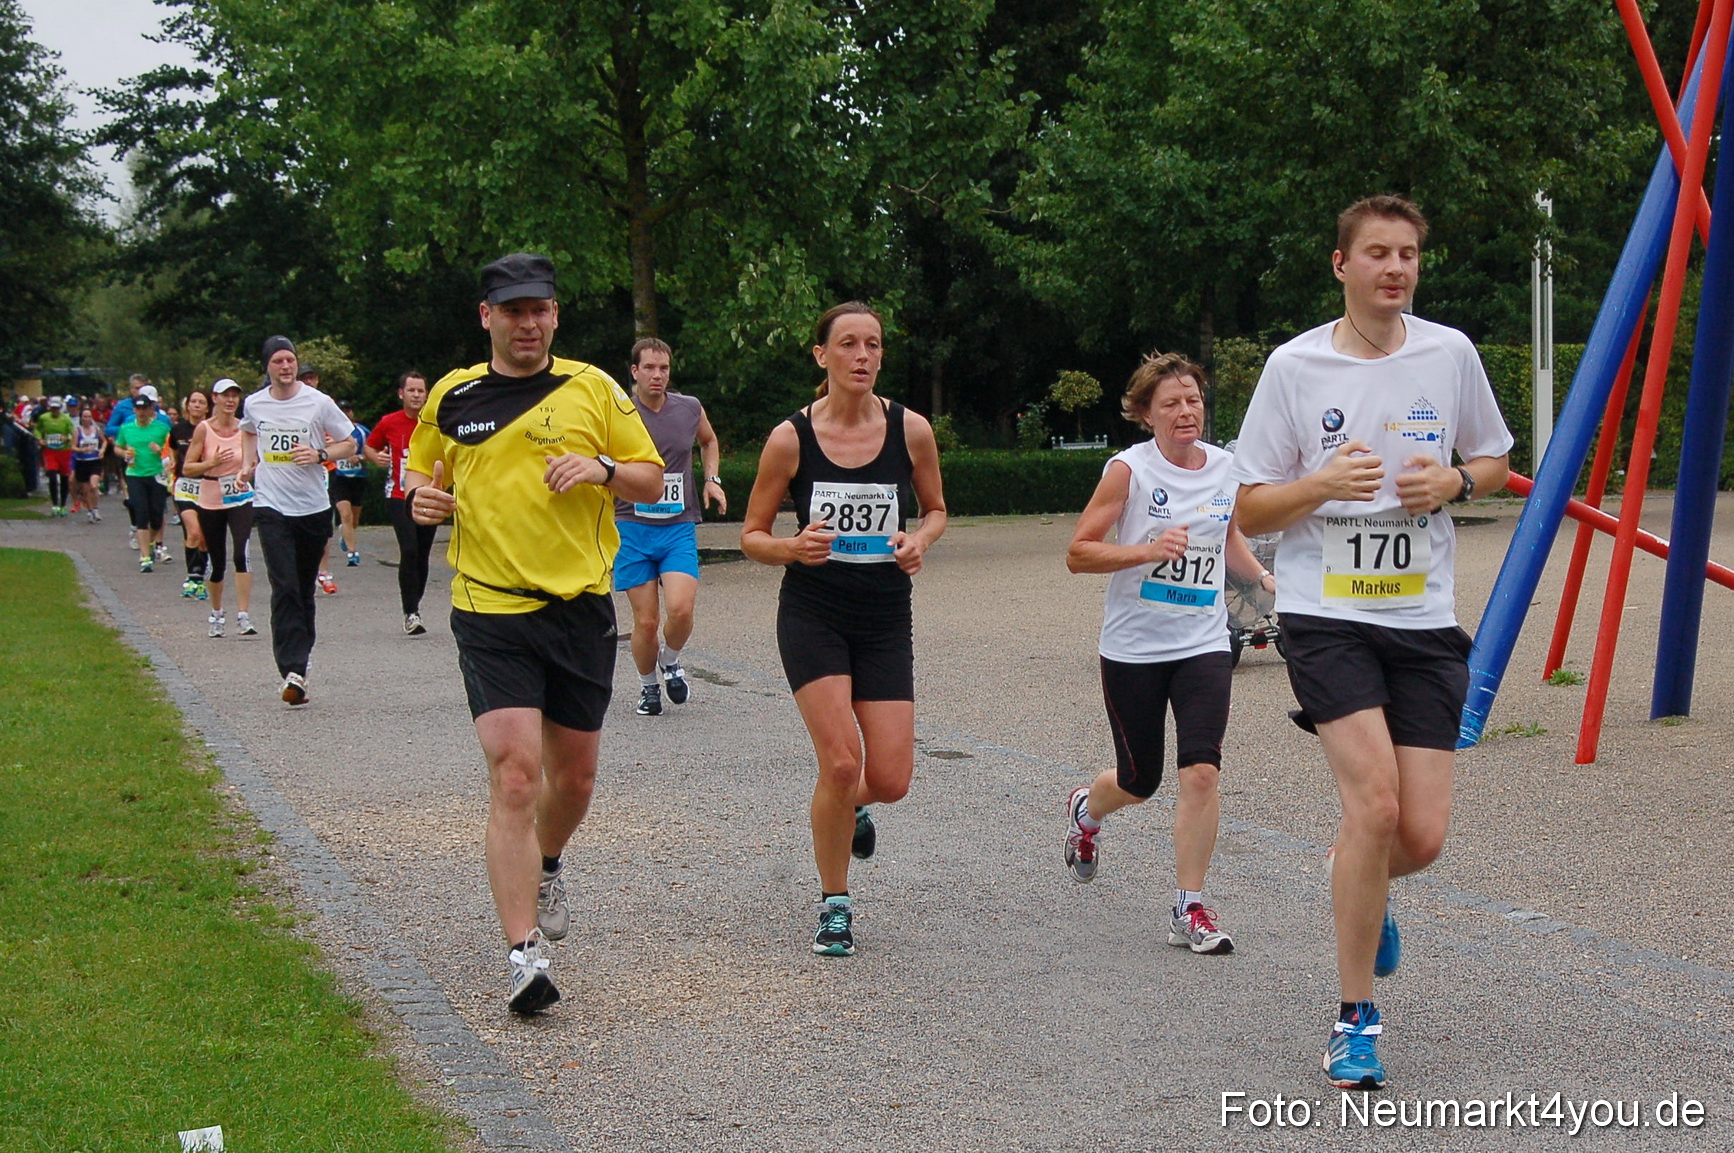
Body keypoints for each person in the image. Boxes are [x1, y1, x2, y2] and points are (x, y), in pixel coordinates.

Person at [1230, 195, 1512, 1091]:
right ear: (1340, 264)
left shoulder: (1450, 353)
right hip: (1327, 614)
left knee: (1418, 836)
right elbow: (1247, 505)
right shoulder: (1295, 366)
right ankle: (1354, 1019)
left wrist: (1458, 480)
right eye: (1378, 254)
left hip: (1424, 619)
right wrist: (1317, 484)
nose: (1396, 268)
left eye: (1409, 255)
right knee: (1377, 806)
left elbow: (1498, 461)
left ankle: (1359, 874)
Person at [404, 253, 662, 1013]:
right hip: (490, 607)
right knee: (516, 773)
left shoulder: (594, 388)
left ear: (556, 313)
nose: (529, 323)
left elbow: (650, 476)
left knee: (574, 779)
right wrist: (423, 499)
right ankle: (523, 953)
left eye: (540, 309)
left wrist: (602, 468)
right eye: (513, 310)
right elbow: (422, 476)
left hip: (580, 607)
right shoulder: (452, 395)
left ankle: (549, 860)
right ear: (486, 316)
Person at [740, 301, 947, 958]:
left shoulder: (910, 429)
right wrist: (791, 547)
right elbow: (750, 535)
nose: (863, 356)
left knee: (889, 778)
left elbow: (938, 509)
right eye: (849, 344)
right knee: (839, 760)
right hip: (814, 612)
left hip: (884, 615)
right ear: (821, 354)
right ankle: (835, 901)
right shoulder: (790, 438)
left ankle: (848, 803)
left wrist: (920, 540)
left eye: (874, 345)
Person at [1063, 352, 1275, 956]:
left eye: (1193, 401)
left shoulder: (1227, 470)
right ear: (1145, 414)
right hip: (1134, 646)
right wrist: (1147, 550)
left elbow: (1225, 536)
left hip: (1203, 642)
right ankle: (1087, 810)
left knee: (1202, 771)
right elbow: (1079, 552)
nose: (1187, 413)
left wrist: (1262, 580)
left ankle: (1190, 905)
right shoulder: (1128, 472)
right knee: (1140, 780)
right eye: (1171, 404)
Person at [240, 336, 359, 704]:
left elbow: (351, 443)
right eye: (278, 361)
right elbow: (247, 429)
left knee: (303, 588)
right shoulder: (255, 403)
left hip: (311, 507)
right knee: (285, 585)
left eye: (290, 360)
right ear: (267, 367)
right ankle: (290, 668)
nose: (286, 367)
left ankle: (300, 668)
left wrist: (320, 452)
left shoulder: (317, 401)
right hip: (270, 505)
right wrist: (249, 464)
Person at [613, 338, 726, 716]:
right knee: (646, 622)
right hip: (631, 526)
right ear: (635, 372)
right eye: (649, 368)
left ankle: (671, 660)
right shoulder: (618, 413)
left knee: (680, 609)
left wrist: (713, 480)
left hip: (677, 525)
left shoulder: (689, 408)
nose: (657, 375)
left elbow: (709, 441)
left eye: (663, 368)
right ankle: (648, 688)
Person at [183, 379, 258, 638]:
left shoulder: (245, 428)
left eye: (235, 396)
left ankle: (243, 615)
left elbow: (254, 459)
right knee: (217, 562)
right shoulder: (204, 429)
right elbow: (187, 468)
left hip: (239, 496)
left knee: (241, 552)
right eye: (225, 396)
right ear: (214, 398)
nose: (230, 401)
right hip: (211, 497)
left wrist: (247, 471)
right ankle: (216, 614)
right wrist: (210, 463)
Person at [365, 371, 437, 635]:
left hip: (428, 495)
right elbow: (369, 447)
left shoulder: (434, 422)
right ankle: (410, 612)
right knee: (409, 550)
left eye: (421, 391)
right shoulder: (389, 423)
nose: (417, 395)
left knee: (422, 553)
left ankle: (415, 602)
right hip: (398, 495)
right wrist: (376, 458)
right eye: (412, 391)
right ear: (401, 394)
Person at [114, 387, 172, 572]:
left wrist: (160, 450)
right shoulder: (126, 428)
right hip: (135, 475)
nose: (141, 412)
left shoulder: (162, 428)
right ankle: (145, 556)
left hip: (156, 475)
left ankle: (153, 542)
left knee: (156, 516)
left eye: (144, 408)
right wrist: (123, 453)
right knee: (141, 514)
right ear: (134, 410)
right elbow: (117, 447)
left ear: (150, 410)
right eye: (137, 409)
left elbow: (171, 451)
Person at [170, 390, 212, 598]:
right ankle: (192, 576)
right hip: (185, 486)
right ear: (187, 406)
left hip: (207, 486)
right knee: (193, 532)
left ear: (207, 408)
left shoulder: (212, 430)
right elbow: (172, 450)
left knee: (203, 538)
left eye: (201, 402)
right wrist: (170, 465)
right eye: (193, 401)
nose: (196, 405)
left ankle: (202, 576)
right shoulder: (178, 429)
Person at [329, 400, 369, 567]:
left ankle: (346, 536)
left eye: (348, 410)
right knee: (345, 514)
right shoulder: (331, 432)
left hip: (358, 478)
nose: (345, 414)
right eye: (341, 411)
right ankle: (353, 553)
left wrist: (359, 457)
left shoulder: (362, 432)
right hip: (339, 478)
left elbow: (372, 452)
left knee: (354, 518)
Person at [32, 396, 75, 516]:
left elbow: (72, 433)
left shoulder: (65, 419)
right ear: (49, 408)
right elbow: (37, 430)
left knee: (64, 478)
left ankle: (63, 505)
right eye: (53, 408)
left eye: (57, 408)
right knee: (51, 475)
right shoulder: (44, 418)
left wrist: (67, 438)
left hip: (64, 451)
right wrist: (40, 439)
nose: (55, 411)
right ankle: (55, 504)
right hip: (50, 450)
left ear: (60, 408)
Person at [72, 406, 107, 522]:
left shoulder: (96, 430)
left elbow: (105, 441)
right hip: (82, 462)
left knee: (94, 486)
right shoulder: (77, 431)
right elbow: (72, 447)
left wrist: (102, 450)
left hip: (95, 461)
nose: (87, 419)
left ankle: (96, 509)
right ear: (81, 418)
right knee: (85, 489)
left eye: (89, 416)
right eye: (85, 416)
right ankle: (90, 510)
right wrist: (82, 450)